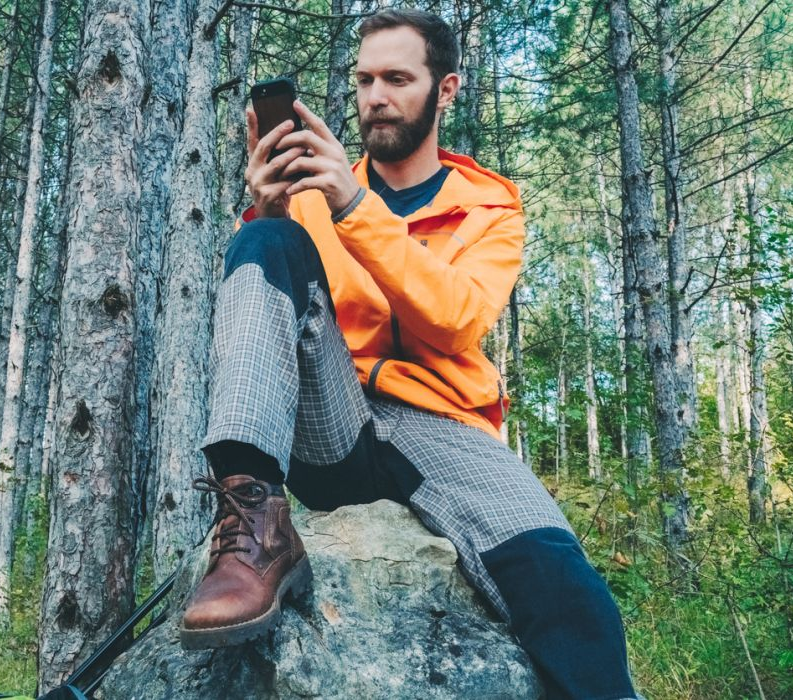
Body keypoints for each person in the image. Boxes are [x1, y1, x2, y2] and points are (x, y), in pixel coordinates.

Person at [178, 8, 642, 700]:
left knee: (569, 594)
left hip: (444, 428)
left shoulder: (489, 208)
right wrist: (268, 212)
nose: (375, 96)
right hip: (333, 418)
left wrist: (353, 205)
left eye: (397, 77)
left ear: (445, 89)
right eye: (364, 79)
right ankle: (251, 520)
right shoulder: (311, 194)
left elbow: (455, 319)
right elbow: (272, 318)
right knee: (263, 243)